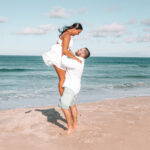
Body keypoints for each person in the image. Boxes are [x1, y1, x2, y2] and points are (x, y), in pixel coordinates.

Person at [42, 23, 83, 96]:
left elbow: (68, 49)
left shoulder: (66, 34)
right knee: (62, 79)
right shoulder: (67, 35)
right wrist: (76, 59)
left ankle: (65, 97)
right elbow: (65, 50)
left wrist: (75, 57)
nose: (78, 34)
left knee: (64, 79)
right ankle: (63, 99)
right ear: (74, 29)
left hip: (59, 55)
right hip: (58, 56)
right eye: (78, 32)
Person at [58, 47, 90, 134]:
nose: (78, 50)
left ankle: (70, 127)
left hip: (70, 88)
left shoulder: (77, 61)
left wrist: (63, 52)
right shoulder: (80, 61)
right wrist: (69, 49)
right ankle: (75, 124)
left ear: (83, 54)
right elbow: (71, 57)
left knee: (63, 106)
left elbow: (63, 61)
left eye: (80, 50)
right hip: (75, 87)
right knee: (72, 105)